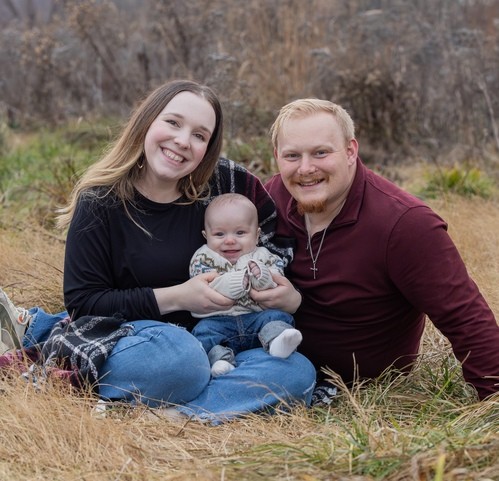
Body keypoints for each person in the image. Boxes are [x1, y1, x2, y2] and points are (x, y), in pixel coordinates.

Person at [0, 80, 316, 423]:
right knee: (181, 360)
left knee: (296, 372)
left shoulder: (227, 185)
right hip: (137, 340)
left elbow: (273, 243)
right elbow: (84, 303)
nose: (183, 141)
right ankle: (47, 340)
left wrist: (288, 297)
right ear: (147, 121)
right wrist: (179, 297)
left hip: (221, 342)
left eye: (199, 135)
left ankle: (172, 413)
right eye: (173, 123)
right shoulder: (101, 201)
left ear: (208, 147)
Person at [262, 98, 499, 403]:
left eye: (321, 152)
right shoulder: (270, 199)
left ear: (350, 151)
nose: (305, 168)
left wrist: (493, 399)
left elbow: (464, 317)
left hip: (358, 385)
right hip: (266, 357)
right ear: (277, 157)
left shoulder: (405, 224)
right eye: (292, 156)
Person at [189, 193, 303, 377]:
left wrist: (261, 275)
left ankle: (277, 343)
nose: (229, 240)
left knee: (277, 317)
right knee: (203, 332)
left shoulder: (264, 256)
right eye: (219, 234)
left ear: (257, 235)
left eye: (240, 233)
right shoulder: (203, 258)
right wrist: (238, 281)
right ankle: (221, 360)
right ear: (206, 236)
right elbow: (206, 287)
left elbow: (276, 282)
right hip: (219, 321)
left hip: (257, 318)